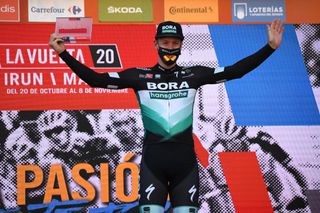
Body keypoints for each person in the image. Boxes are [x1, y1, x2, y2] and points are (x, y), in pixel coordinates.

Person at [49, 20, 284, 213]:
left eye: (174, 43)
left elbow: (236, 71)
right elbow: (95, 79)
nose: (169, 47)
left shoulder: (194, 74)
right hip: (153, 165)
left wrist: (270, 48)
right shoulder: (139, 76)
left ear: (181, 45)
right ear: (156, 43)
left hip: (186, 167)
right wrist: (63, 54)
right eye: (165, 42)